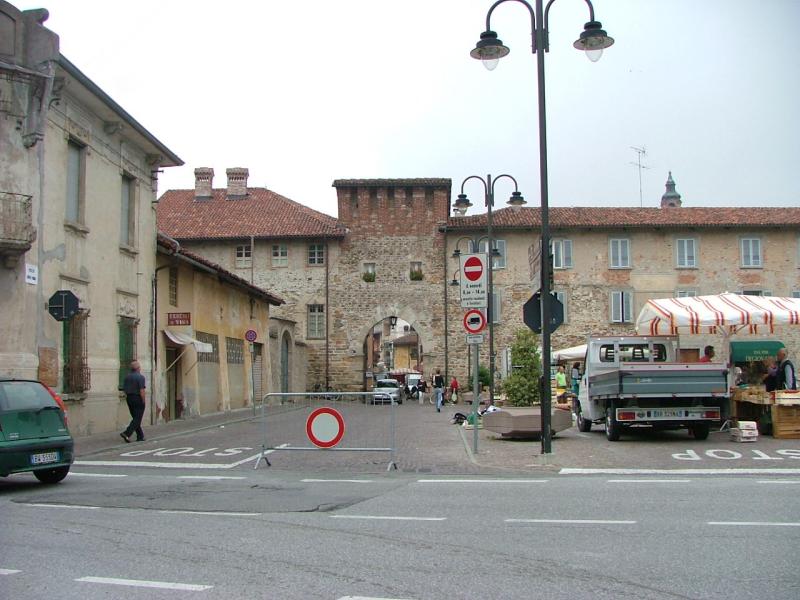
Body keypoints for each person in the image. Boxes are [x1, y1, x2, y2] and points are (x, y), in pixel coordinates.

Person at [120, 360, 146, 442]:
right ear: (138, 368)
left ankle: (140, 436)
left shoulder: (127, 377)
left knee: (135, 418)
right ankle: (127, 433)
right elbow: (142, 390)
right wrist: (143, 400)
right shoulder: (140, 377)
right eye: (139, 367)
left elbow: (124, 389)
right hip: (137, 398)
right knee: (137, 418)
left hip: (129, 398)